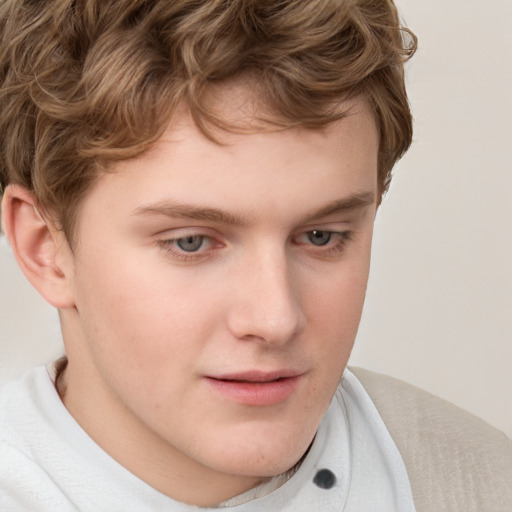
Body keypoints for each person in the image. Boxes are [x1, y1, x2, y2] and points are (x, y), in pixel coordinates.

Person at [0, 0, 510, 511]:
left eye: (321, 236)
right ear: (45, 248)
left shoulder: (484, 485)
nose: (276, 319)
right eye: (191, 242)